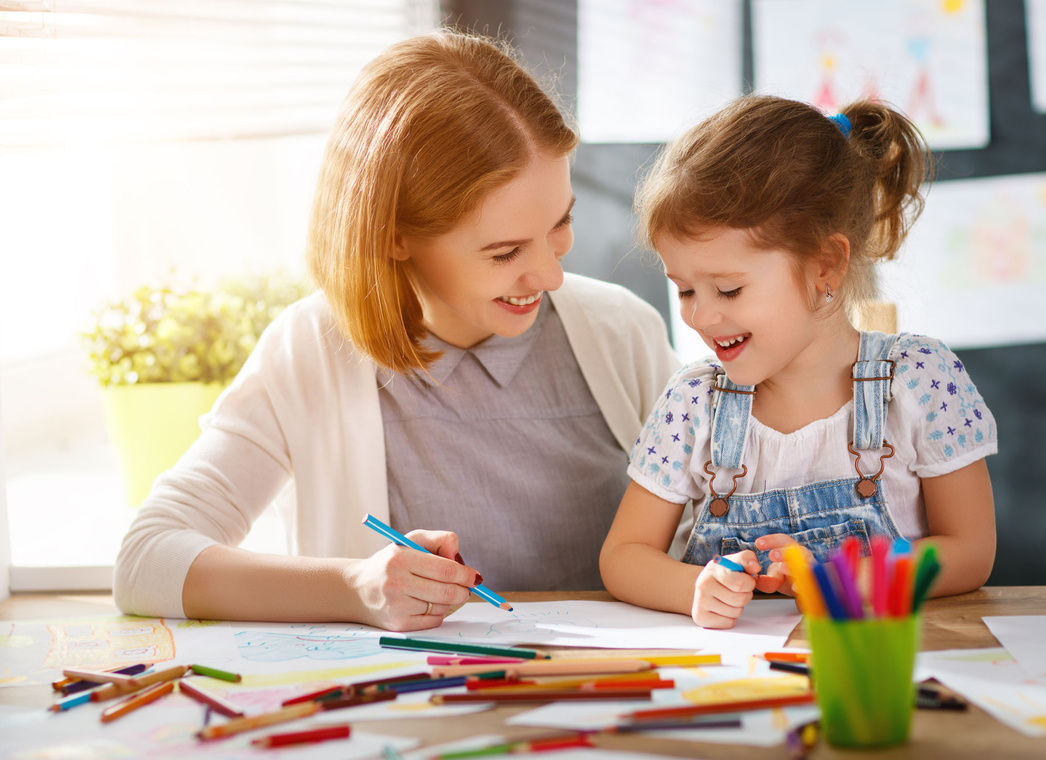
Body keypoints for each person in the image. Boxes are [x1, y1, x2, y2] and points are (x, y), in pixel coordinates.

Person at [114, 30, 677, 631]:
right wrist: (355, 588)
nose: (550, 274)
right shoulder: (310, 351)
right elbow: (145, 561)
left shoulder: (623, 335)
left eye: (560, 223)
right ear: (393, 235)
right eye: (505, 250)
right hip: (411, 711)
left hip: (610, 696)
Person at [599, 96, 997, 629]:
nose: (700, 315)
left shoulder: (919, 380)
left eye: (729, 289)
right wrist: (692, 587)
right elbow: (623, 556)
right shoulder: (693, 403)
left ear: (824, 266)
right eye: (685, 289)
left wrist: (845, 582)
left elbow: (970, 550)